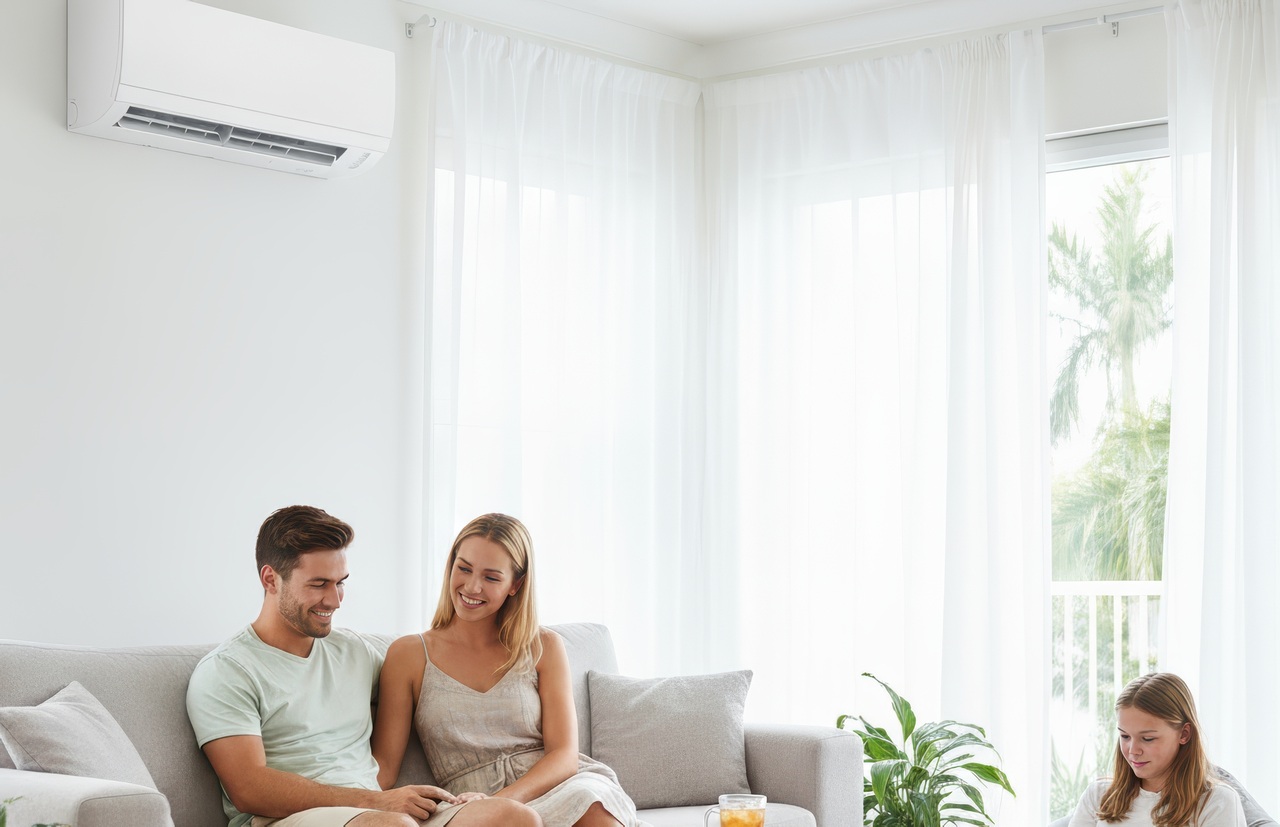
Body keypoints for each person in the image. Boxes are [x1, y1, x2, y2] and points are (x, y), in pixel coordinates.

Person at [186, 505, 540, 827]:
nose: (335, 600)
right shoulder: (227, 671)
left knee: (512, 817)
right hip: (290, 819)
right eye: (319, 584)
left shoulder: (355, 651)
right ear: (270, 580)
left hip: (378, 812)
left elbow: (428, 688)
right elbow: (248, 788)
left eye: (341, 583)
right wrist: (377, 801)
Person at [371, 513, 643, 827]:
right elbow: (384, 768)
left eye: (491, 577)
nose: (472, 586)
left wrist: (506, 797)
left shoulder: (543, 646)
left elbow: (564, 755)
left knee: (594, 807)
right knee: (511, 818)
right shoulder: (409, 654)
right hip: (468, 805)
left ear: (515, 584)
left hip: (556, 786)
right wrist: (328, 797)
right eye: (464, 568)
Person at [1068, 672, 1246, 827]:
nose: (1133, 750)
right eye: (1125, 736)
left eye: (1148, 739)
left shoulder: (1216, 802)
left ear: (1184, 734)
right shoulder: (1098, 795)